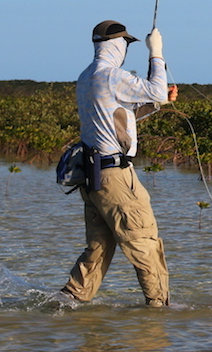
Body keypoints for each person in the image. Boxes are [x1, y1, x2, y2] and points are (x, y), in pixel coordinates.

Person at [60, 20, 177, 307]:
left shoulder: (87, 77)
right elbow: (157, 90)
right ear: (117, 44)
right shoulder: (112, 75)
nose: (126, 49)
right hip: (115, 178)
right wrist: (156, 52)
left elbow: (119, 118)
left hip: (93, 178)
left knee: (99, 248)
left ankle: (68, 302)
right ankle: (159, 311)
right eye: (125, 43)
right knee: (143, 242)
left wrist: (158, 104)